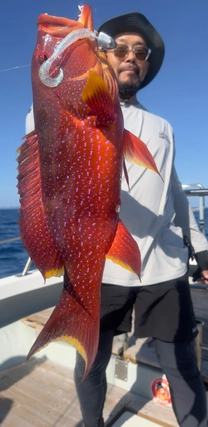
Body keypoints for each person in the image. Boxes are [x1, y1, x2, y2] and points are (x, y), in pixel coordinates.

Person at [73, 12, 208, 427]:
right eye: (119, 48)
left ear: (146, 64)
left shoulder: (162, 126)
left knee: (183, 363)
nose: (131, 56)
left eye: (140, 52)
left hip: (162, 266)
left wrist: (200, 249)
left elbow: (174, 191)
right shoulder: (77, 110)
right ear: (101, 56)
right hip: (101, 264)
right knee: (91, 361)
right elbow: (38, 125)